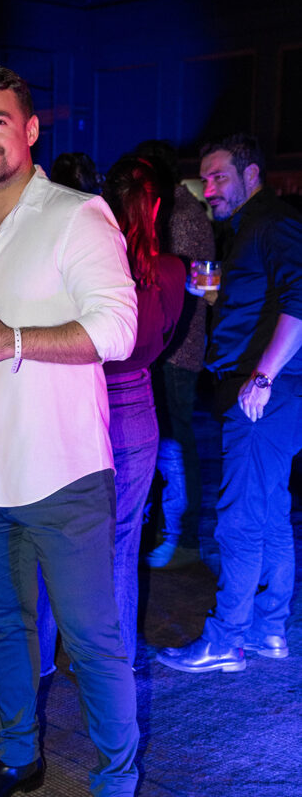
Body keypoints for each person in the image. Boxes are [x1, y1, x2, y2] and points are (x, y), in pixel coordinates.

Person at [0, 65, 139, 797]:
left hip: (64, 472)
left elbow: (117, 331)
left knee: (93, 642)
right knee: (5, 627)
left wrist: (12, 341)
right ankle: (18, 756)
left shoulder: (74, 213)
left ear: (29, 130)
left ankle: (115, 789)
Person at [157, 133, 302, 673]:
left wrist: (262, 377)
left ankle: (227, 639)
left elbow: (300, 299)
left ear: (252, 173)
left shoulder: (273, 223)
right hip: (265, 391)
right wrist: (217, 297)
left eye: (220, 177)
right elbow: (264, 299)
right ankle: (269, 629)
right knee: (270, 513)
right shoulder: (246, 227)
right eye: (206, 178)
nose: (210, 188)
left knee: (240, 519)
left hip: (263, 393)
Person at [101, 156, 185, 664]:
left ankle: (43, 658)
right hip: (135, 403)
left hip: (83, 399)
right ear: (154, 207)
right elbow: (165, 339)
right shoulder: (171, 271)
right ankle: (117, 664)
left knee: (59, 536)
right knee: (123, 541)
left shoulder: (91, 268)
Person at [133, 140, 215, 569]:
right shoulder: (181, 212)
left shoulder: (180, 217)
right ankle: (175, 532)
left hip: (177, 347)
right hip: (175, 343)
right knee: (172, 439)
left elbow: (181, 286)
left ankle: (182, 537)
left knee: (175, 442)